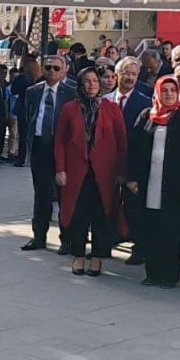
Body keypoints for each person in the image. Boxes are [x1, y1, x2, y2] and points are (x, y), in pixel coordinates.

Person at [126, 76, 180, 288]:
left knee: (171, 230)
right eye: (164, 90)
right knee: (150, 227)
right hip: (148, 182)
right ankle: (153, 273)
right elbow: (134, 148)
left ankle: (170, 275)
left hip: (174, 186)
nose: (168, 94)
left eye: (172, 90)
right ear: (157, 93)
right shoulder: (146, 115)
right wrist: (132, 177)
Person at [54, 66, 127, 276]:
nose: (92, 85)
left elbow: (122, 141)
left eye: (95, 80)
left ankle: (96, 257)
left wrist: (122, 170)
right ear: (80, 84)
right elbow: (59, 140)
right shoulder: (69, 108)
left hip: (104, 172)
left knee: (101, 215)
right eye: (87, 81)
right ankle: (78, 256)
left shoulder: (112, 108)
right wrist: (60, 169)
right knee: (78, 215)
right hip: (77, 171)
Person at [19, 55, 73, 252]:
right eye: (48, 67)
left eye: (56, 68)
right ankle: (39, 236)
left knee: (63, 194)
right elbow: (29, 115)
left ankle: (66, 239)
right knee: (41, 194)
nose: (52, 71)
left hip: (61, 149)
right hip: (40, 146)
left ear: (64, 70)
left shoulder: (71, 92)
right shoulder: (33, 91)